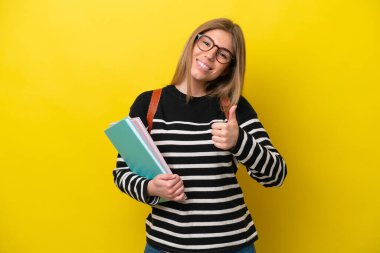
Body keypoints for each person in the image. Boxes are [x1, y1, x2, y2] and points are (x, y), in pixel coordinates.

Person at [113, 18, 287, 253]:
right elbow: (122, 173)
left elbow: (276, 175)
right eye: (206, 43)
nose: (210, 55)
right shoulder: (148, 104)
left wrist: (239, 142)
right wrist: (151, 189)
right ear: (193, 43)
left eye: (223, 54)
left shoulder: (234, 107)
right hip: (165, 246)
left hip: (232, 246)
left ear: (229, 66)